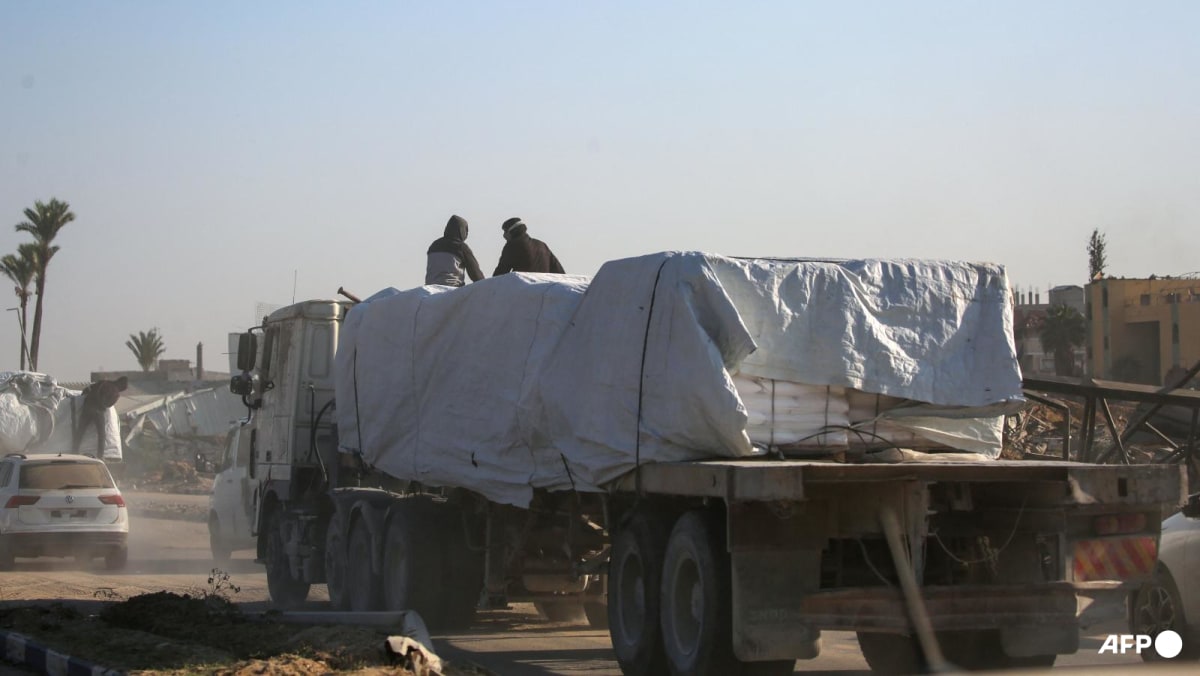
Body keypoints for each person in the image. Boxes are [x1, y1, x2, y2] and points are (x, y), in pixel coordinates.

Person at [426, 215, 484, 286]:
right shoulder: (461, 247)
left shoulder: (434, 245)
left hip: (430, 288)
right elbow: (476, 274)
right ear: (461, 231)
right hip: (452, 288)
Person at [493, 217, 565, 276]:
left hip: (523, 288)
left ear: (512, 232)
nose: (504, 235)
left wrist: (490, 286)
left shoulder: (512, 246)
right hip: (544, 288)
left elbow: (501, 272)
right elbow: (559, 272)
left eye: (505, 231)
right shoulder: (542, 245)